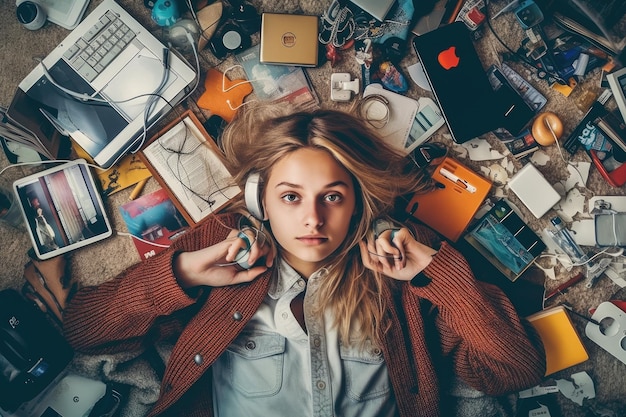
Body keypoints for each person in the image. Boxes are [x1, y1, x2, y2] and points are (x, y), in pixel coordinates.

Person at [63, 103, 546, 417]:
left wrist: (437, 272)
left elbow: (517, 370)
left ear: (358, 201)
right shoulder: (221, 244)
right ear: (260, 201)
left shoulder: (403, 261)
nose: (312, 219)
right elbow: (83, 330)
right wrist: (183, 272)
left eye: (332, 197)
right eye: (291, 197)